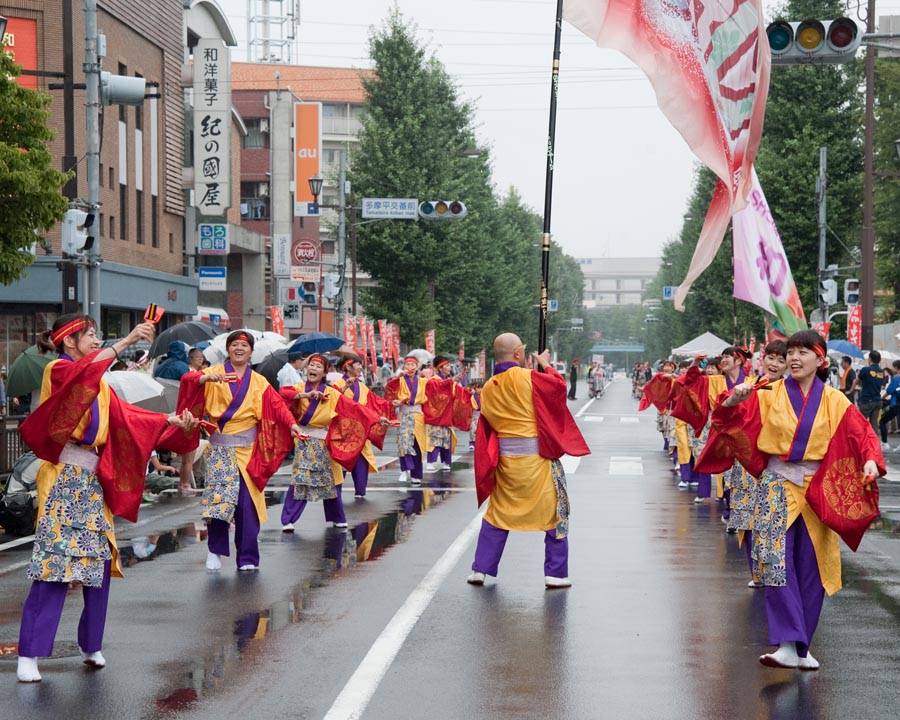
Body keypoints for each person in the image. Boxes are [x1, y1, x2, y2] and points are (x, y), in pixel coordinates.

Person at [15, 314, 199, 683]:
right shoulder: (60, 370)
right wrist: (128, 340)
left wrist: (171, 422)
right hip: (64, 479)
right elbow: (82, 376)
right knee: (54, 567)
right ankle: (29, 654)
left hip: (91, 484)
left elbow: (129, 417)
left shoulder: (99, 384)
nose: (97, 339)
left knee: (98, 567)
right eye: (91, 335)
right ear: (70, 341)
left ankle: (91, 644)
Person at [701, 330, 883, 669]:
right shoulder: (767, 392)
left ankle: (803, 647)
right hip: (777, 483)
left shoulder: (834, 399)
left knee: (811, 566)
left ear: (821, 360)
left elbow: (862, 434)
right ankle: (786, 643)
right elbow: (726, 422)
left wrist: (871, 459)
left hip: (816, 488)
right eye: (792, 352)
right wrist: (731, 401)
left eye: (804, 352)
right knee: (774, 562)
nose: (795, 358)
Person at [467, 334, 589, 588]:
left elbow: (488, 425)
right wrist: (546, 365)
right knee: (557, 512)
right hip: (536, 461)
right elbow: (557, 389)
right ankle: (555, 573)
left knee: (497, 513)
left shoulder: (488, 387)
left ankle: (481, 569)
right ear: (518, 354)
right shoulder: (528, 378)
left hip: (507, 462)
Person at [176, 330, 303, 573]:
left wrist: (292, 425)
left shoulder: (259, 382)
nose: (239, 349)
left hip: (248, 450)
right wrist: (206, 380)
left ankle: (247, 556)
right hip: (221, 448)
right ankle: (215, 549)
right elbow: (187, 381)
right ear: (228, 349)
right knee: (219, 504)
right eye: (234, 345)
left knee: (247, 506)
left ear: (251, 352)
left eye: (244, 346)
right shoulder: (214, 373)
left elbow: (277, 405)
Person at [279, 354, 381, 530]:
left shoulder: (331, 392)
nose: (313, 369)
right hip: (305, 440)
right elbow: (283, 393)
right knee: (301, 479)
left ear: (325, 372)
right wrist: (305, 394)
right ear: (306, 369)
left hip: (326, 442)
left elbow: (355, 409)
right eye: (311, 365)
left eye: (318, 367)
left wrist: (378, 418)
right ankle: (288, 519)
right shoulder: (299, 388)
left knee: (333, 480)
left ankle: (336, 517)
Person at [331, 353, 391, 498]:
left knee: (361, 459)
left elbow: (374, 403)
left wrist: (388, 407)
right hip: (342, 428)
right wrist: (345, 387)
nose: (360, 367)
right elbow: (331, 400)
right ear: (348, 366)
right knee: (341, 458)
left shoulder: (362, 386)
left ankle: (360, 491)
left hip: (359, 429)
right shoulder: (338, 384)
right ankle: (336, 492)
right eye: (358, 364)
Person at [853, 350, 885, 436]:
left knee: (859, 422)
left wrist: (851, 390)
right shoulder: (881, 372)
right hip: (878, 400)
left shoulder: (865, 370)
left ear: (870, 359)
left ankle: (859, 443)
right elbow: (880, 384)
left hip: (867, 400)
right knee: (874, 424)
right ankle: (874, 445)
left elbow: (856, 381)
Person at [878, 359, 900, 450]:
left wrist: (882, 398)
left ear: (896, 368)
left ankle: (884, 443)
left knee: (882, 421)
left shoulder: (896, 378)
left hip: (895, 404)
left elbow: (889, 391)